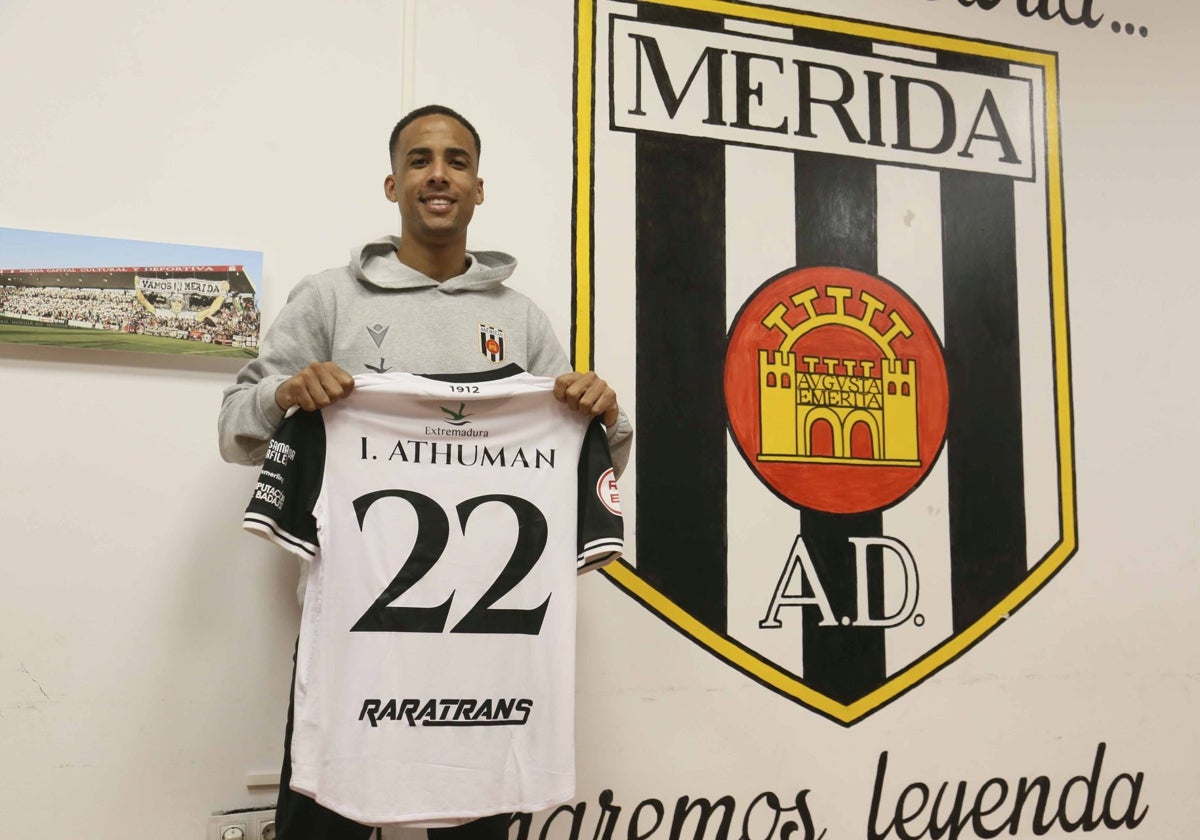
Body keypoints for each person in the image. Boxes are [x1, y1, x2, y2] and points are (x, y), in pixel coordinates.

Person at [218, 104, 632, 839]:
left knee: (475, 830)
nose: (438, 174)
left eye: (456, 161)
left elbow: (579, 464)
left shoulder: (524, 319)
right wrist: (287, 394)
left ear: (478, 189)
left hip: (490, 644)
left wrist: (604, 415)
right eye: (419, 160)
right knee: (322, 825)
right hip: (350, 635)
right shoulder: (329, 298)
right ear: (392, 185)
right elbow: (234, 428)